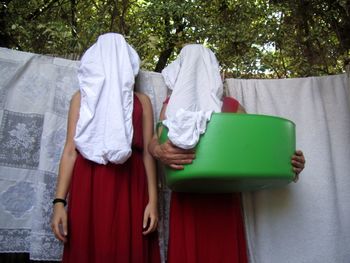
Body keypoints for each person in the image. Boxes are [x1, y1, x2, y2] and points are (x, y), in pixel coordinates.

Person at [148, 44, 306, 263]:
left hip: (224, 198)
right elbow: (155, 141)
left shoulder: (232, 107)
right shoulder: (172, 105)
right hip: (187, 196)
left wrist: (289, 164)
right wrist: (159, 151)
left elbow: (255, 148)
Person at [51, 33, 160, 263]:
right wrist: (59, 202)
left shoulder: (142, 102)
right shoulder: (81, 98)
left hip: (131, 184)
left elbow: (149, 156)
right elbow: (70, 151)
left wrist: (153, 202)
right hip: (88, 184)